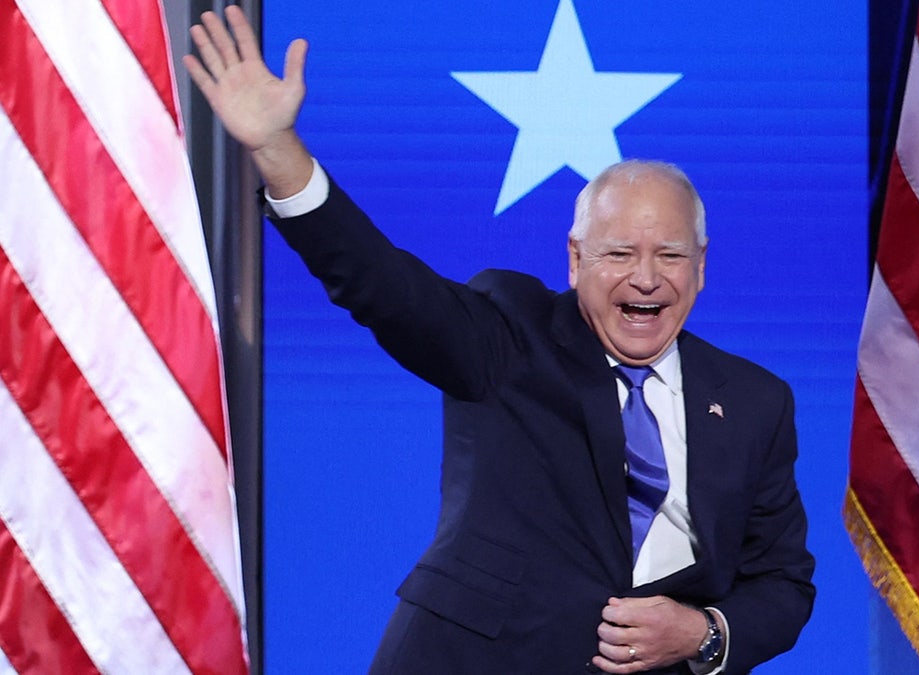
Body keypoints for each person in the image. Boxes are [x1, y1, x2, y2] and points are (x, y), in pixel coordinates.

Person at [184, 7, 815, 674]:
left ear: (702, 267)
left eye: (670, 255)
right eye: (620, 252)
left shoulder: (754, 400)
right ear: (575, 261)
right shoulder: (510, 334)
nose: (647, 278)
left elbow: (782, 582)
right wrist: (279, 151)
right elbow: (382, 285)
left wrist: (702, 632)